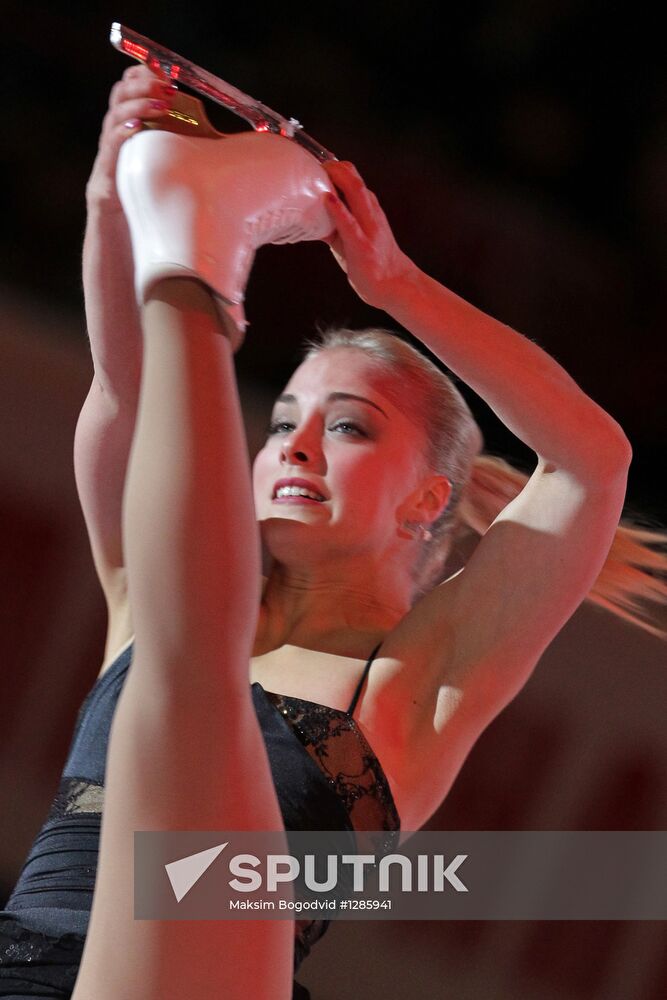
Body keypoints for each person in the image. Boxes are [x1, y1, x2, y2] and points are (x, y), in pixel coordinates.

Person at [0, 63, 664, 1000]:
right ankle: (188, 244)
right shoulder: (140, 599)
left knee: (193, 663)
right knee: (185, 638)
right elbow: (124, 389)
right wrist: (110, 191)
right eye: (280, 424)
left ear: (427, 499)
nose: (296, 445)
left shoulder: (416, 679)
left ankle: (198, 252)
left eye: (346, 426)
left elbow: (590, 462)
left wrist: (393, 281)